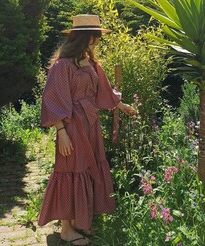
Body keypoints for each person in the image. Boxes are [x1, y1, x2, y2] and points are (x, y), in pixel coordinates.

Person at [38, 14, 135, 245]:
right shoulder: (62, 66)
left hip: (90, 125)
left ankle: (80, 223)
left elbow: (104, 89)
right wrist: (61, 131)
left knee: (86, 168)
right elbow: (52, 99)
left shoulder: (91, 64)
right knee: (69, 170)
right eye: (96, 36)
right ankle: (66, 230)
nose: (98, 41)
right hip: (71, 127)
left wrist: (120, 105)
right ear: (85, 38)